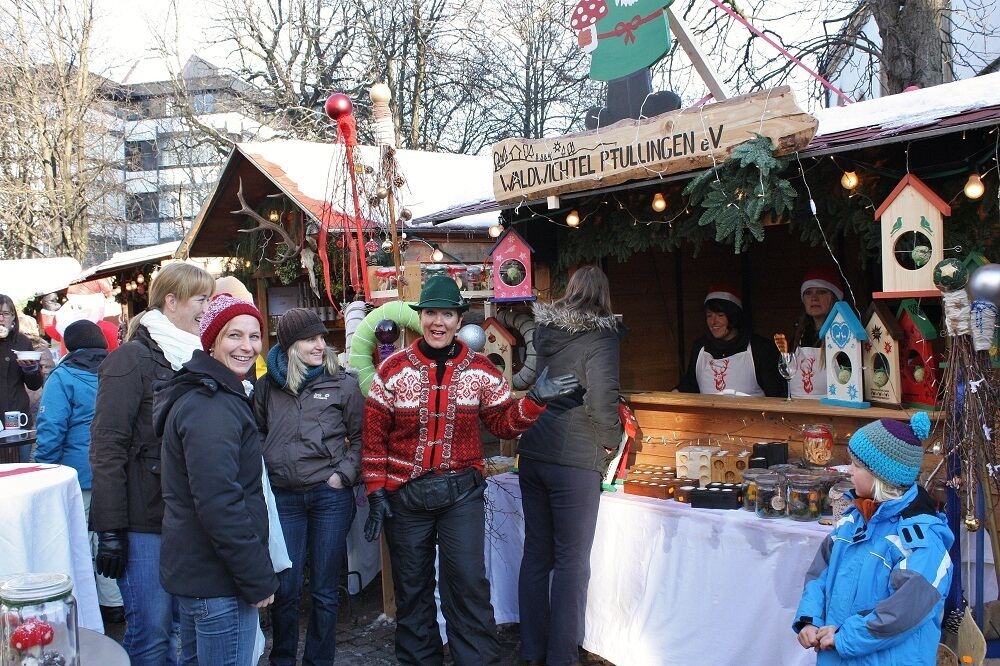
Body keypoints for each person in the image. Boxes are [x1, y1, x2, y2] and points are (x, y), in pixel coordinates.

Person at [362, 274, 579, 666]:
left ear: (459, 320)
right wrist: (376, 489)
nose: (438, 322)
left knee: (468, 587)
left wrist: (534, 402)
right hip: (406, 498)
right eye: (430, 313)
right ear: (420, 318)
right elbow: (375, 434)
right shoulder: (393, 370)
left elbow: (502, 423)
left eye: (446, 314)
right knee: (412, 591)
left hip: (460, 495)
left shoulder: (481, 369)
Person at [89, 262, 214, 666]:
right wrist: (109, 529)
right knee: (151, 633)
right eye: (201, 299)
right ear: (171, 301)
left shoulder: (194, 356)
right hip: (144, 524)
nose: (208, 308)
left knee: (182, 629)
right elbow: (107, 446)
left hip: (184, 518)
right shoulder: (131, 359)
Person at [155, 293, 278, 665]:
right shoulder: (211, 405)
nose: (247, 346)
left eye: (254, 336)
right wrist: (256, 576)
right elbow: (218, 503)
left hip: (204, 575)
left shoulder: (218, 393)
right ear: (212, 341)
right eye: (234, 336)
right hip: (218, 581)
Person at [516, 265, 623, 666]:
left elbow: (535, 382)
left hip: (534, 450)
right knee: (572, 561)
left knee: (536, 555)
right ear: (604, 296)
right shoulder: (602, 335)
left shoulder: (546, 331)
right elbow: (602, 400)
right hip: (575, 458)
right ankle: (561, 656)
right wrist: (610, 444)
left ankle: (532, 650)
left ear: (571, 291)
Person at [793, 412, 952, 664]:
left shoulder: (921, 540)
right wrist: (811, 619)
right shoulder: (851, 519)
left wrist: (844, 636)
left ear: (881, 477)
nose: (849, 472)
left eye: (857, 466)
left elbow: (903, 613)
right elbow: (820, 574)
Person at [254, 308, 363, 666]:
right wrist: (268, 472)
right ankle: (282, 659)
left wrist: (342, 476)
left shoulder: (342, 383)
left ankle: (319, 661)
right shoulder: (268, 386)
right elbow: (255, 433)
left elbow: (362, 439)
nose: (320, 345)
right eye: (309, 339)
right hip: (284, 498)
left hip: (328, 496)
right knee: (284, 589)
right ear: (289, 346)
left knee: (324, 589)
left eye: (321, 338)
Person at [34, 320, 125, 622]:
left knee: (81, 541)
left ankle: (87, 609)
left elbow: (51, 429)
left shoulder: (63, 377)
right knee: (110, 536)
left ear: (69, 345)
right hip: (115, 473)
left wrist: (43, 471)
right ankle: (114, 604)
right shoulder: (118, 370)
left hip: (76, 475)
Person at [676, 285, 784, 397]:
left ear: (734, 317)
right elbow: (690, 385)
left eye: (720, 315)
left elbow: (776, 394)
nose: (713, 322)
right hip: (708, 414)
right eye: (709, 315)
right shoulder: (700, 347)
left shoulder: (760, 348)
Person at [789, 269, 844, 400]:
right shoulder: (798, 335)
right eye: (808, 293)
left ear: (834, 297)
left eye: (821, 292)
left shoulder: (843, 335)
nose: (814, 298)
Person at [0, 294, 43, 428]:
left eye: (5, 314)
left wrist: (32, 370)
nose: (0, 319)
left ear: (13, 317)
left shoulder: (22, 342)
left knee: (19, 446)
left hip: (17, 414)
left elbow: (34, 385)